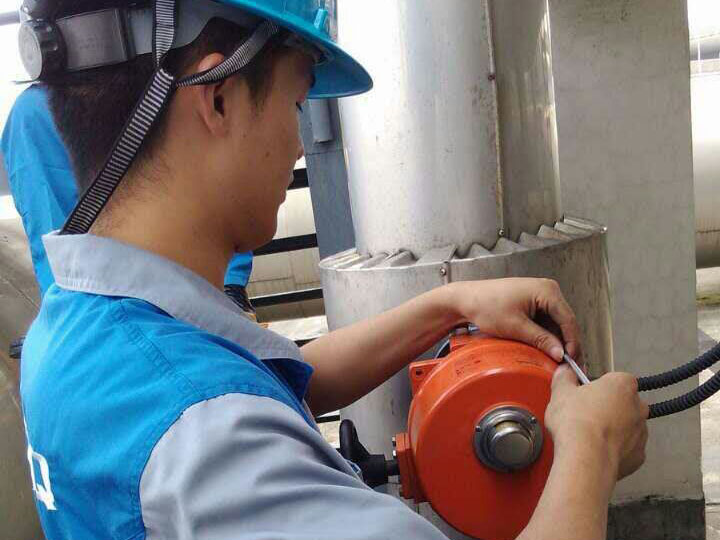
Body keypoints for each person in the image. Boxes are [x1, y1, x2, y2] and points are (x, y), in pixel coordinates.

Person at [18, 1, 649, 540]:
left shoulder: (79, 327)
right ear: (218, 97)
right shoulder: (210, 442)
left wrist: (451, 304)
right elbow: (219, 414)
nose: (299, 145)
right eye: (295, 102)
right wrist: (589, 447)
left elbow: (275, 380)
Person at [1, 86, 257, 312]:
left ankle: (227, 288)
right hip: (101, 296)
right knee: (30, 113)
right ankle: (70, 303)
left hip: (158, 69)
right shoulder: (36, 112)